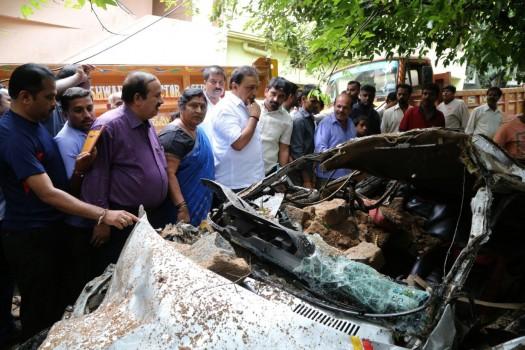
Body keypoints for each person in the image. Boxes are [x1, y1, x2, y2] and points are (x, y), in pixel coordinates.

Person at [0, 63, 136, 340]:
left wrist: (80, 172)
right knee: (39, 310)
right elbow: (48, 193)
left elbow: (63, 187)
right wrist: (103, 214)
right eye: (50, 97)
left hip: (51, 230)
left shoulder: (33, 122)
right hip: (29, 236)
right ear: (25, 97)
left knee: (57, 303)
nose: (54, 103)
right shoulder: (13, 136)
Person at [81, 71, 168, 272]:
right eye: (157, 96)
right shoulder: (109, 125)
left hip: (149, 217)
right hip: (120, 221)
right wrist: (101, 220)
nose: (161, 101)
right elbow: (97, 176)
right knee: (120, 275)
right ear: (138, 99)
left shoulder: (146, 122)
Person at [53, 87, 98, 303]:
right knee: (84, 285)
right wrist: (81, 169)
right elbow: (70, 190)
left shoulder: (91, 132)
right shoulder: (66, 141)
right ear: (65, 114)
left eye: (89, 108)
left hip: (95, 219)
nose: (87, 115)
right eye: (78, 111)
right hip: (80, 225)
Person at [158, 88, 214, 226]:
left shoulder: (196, 129)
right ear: (182, 107)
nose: (199, 111)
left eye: (203, 107)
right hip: (181, 210)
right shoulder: (174, 136)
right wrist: (182, 207)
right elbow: (168, 174)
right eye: (194, 106)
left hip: (200, 204)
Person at [209, 65, 264, 191]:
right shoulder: (225, 108)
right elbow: (238, 143)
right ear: (234, 86)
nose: (254, 93)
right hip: (235, 185)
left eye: (256, 87)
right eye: (250, 88)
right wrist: (254, 117)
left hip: (253, 180)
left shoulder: (248, 105)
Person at [315, 92, 356, 186]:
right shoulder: (325, 124)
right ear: (334, 106)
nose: (341, 110)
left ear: (350, 110)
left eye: (345, 107)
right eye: (338, 106)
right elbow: (320, 150)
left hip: (346, 177)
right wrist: (340, 155)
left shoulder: (351, 124)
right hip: (327, 178)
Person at [42, 64, 95, 136]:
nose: (87, 115)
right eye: (78, 110)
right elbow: (46, 91)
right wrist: (77, 78)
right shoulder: (51, 107)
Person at [289, 84, 322, 188]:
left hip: (309, 169)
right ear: (303, 99)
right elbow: (297, 152)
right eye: (313, 101)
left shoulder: (310, 118)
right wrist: (306, 179)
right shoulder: (299, 120)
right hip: (301, 174)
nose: (316, 105)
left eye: (317, 101)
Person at [259, 77, 293, 174]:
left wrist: (281, 175)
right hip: (245, 168)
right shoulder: (252, 107)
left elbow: (284, 149)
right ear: (266, 91)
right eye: (273, 94)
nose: (275, 99)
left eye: (281, 96)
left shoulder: (287, 119)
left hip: (268, 171)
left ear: (286, 98)